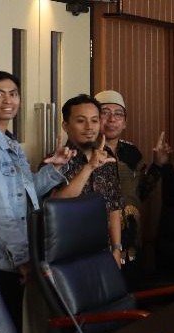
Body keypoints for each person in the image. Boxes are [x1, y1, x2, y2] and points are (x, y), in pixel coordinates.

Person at [0, 71, 69, 327]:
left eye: (13, 94)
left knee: (18, 326)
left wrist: (54, 168)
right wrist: (23, 258)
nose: (8, 100)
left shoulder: (8, 142)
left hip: (12, 257)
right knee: (6, 332)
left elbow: (26, 192)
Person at [94, 90, 174, 287]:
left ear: (125, 122)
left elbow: (141, 193)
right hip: (99, 241)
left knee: (133, 291)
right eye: (105, 113)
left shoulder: (132, 152)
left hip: (131, 240)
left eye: (118, 114)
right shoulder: (86, 152)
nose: (112, 119)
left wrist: (158, 165)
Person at [50, 94, 124, 268]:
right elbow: (56, 204)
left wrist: (116, 248)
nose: (89, 127)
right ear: (66, 126)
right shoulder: (55, 161)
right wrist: (89, 167)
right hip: (69, 253)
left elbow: (114, 207)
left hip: (103, 250)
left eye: (94, 120)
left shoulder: (107, 158)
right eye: (81, 121)